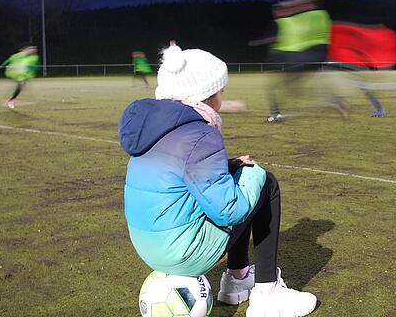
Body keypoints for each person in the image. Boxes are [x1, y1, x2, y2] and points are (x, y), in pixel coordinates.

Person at [119, 41, 318, 317]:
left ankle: (237, 279)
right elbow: (229, 210)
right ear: (206, 96)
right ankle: (268, 295)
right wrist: (254, 174)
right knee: (265, 184)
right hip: (181, 252)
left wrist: (229, 165)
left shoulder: (155, 126)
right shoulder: (200, 134)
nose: (223, 99)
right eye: (221, 91)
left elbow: (176, 173)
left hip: (147, 247)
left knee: (237, 178)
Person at [251, 0, 337, 122]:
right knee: (286, 86)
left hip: (296, 58)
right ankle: (278, 111)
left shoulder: (314, 15)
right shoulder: (301, 19)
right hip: (302, 58)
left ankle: (276, 113)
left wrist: (288, 5)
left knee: (276, 86)